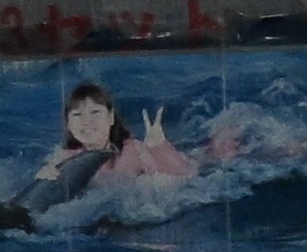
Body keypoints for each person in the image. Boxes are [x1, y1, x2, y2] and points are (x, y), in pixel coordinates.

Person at [0, 79, 195, 228]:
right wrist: (44, 174)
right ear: (69, 125)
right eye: (77, 115)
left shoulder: (133, 150)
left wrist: (159, 147)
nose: (87, 121)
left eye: (95, 112)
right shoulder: (65, 158)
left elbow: (183, 178)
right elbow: (45, 183)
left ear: (111, 118)